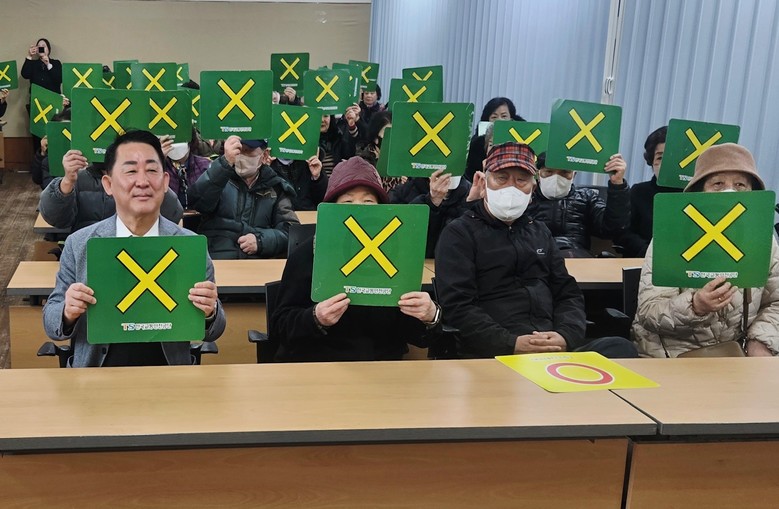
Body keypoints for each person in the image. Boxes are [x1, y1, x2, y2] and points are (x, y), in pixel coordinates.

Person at [435, 142, 638, 359]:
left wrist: (566, 335)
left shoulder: (539, 231)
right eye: (502, 178)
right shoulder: (459, 233)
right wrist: (511, 343)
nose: (511, 187)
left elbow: (567, 293)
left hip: (551, 347)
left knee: (620, 348)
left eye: (521, 180)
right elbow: (459, 306)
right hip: (494, 351)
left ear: (532, 190)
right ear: (484, 185)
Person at [42, 130, 226, 367]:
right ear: (108, 184)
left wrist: (210, 312)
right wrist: (68, 312)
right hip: (96, 377)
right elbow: (51, 323)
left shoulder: (189, 245)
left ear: (165, 182)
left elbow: (215, 330)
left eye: (151, 170)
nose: (142, 181)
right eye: (130, 171)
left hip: (169, 377)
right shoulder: (80, 244)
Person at [271, 156, 441, 362]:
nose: (359, 208)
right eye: (348, 201)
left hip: (380, 368)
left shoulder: (397, 259)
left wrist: (430, 316)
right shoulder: (307, 254)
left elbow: (417, 336)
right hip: (319, 366)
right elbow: (281, 327)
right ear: (332, 207)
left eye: (368, 201)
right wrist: (315, 318)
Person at [633, 143, 779, 358]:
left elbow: (775, 302)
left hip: (735, 353)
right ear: (699, 190)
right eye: (718, 184)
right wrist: (695, 306)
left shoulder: (763, 238)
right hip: (670, 354)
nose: (729, 191)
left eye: (740, 184)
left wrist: (761, 341)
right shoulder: (672, 234)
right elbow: (649, 311)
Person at [189, 137, 299, 259]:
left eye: (248, 151)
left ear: (264, 155)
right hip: (217, 257)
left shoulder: (276, 188)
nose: (241, 155)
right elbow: (198, 202)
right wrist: (224, 163)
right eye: (238, 150)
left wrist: (261, 241)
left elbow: (290, 231)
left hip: (256, 263)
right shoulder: (219, 176)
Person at [40, 144, 183, 235]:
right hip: (91, 254)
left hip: (145, 254)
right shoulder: (80, 179)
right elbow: (55, 219)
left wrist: (154, 167)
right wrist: (67, 181)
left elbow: (173, 215)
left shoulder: (143, 180)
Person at [527, 152, 630, 257]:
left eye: (564, 172)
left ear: (574, 175)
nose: (556, 178)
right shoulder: (526, 198)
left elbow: (612, 228)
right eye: (549, 172)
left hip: (574, 256)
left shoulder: (586, 197)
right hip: (532, 256)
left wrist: (617, 185)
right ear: (538, 174)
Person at [616, 126, 681, 257]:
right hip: (643, 261)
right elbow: (623, 233)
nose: (667, 163)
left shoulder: (696, 193)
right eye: (660, 158)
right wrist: (648, 254)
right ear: (651, 161)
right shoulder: (639, 192)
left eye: (672, 158)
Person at [389, 169, 472, 258]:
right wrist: (431, 202)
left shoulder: (470, 193)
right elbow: (399, 241)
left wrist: (471, 203)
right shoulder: (405, 192)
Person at [464, 97, 524, 181]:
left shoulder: (521, 142)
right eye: (494, 117)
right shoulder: (476, 148)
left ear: (512, 118)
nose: (499, 120)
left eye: (504, 116)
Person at [21, 38, 63, 154]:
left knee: (54, 133)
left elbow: (59, 78)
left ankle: (53, 160)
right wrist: (29, 56)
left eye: (44, 46)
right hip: (37, 105)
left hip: (53, 104)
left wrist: (48, 64)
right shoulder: (33, 64)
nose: (41, 48)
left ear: (48, 49)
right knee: (37, 133)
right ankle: (39, 159)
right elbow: (25, 74)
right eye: (39, 46)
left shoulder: (56, 63)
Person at [161, 128, 211, 210]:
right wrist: (158, 160)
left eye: (180, 140)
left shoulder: (204, 166)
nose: (175, 145)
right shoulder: (160, 168)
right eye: (170, 141)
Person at [319, 105, 364, 177]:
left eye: (326, 116)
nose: (322, 120)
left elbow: (349, 154)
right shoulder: (305, 141)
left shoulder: (338, 138)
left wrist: (351, 124)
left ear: (331, 118)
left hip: (335, 181)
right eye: (318, 116)